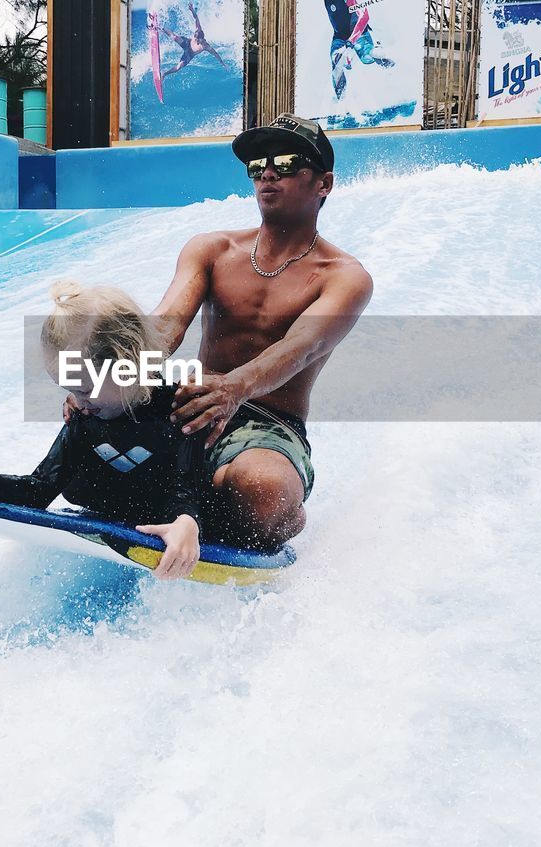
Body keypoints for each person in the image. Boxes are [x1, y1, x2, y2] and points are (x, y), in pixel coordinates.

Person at [146, 114, 373, 551]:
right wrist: (108, 375)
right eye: (258, 165)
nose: (269, 172)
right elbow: (166, 324)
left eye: (288, 163)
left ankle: (278, 509)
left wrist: (235, 388)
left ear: (323, 183)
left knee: (265, 493)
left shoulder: (343, 277)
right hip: (192, 405)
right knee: (95, 420)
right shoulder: (212, 249)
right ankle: (196, 497)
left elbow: (302, 347)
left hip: (269, 424)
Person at [0, 281, 205, 581]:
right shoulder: (84, 420)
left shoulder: (179, 410)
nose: (78, 401)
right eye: (69, 390)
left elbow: (187, 484)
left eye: (85, 389)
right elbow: (38, 489)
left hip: (173, 512)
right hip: (117, 505)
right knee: (75, 482)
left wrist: (187, 522)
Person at [304, 0, 395, 98]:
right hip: (339, 36)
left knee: (368, 55)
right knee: (336, 62)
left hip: (358, 34)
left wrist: (351, 42)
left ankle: (389, 63)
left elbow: (364, 17)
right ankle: (342, 104)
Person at [159, 3, 229, 81]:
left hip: (189, 54)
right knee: (175, 37)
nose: (195, 40)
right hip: (187, 43)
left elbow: (215, 53)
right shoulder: (198, 30)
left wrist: (223, 64)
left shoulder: (205, 46)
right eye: (195, 37)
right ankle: (161, 28)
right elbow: (196, 18)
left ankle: (164, 74)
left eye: (197, 40)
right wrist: (192, 10)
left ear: (201, 39)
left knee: (179, 67)